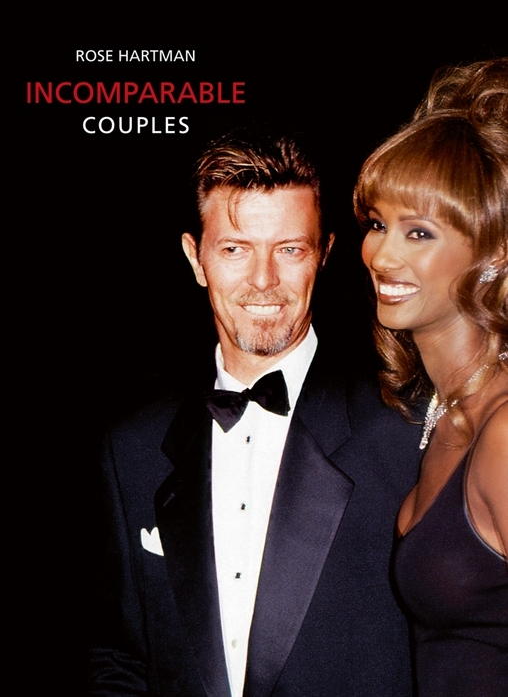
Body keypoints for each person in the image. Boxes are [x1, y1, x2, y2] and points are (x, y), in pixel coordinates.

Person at [89, 128, 422, 696]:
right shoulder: (132, 448)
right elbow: (118, 658)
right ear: (196, 258)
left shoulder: (404, 428)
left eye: (289, 250)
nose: (263, 281)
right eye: (235, 249)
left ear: (324, 254)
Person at [355, 58, 508, 696]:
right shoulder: (438, 414)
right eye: (378, 223)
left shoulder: (504, 431)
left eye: (419, 232)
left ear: (495, 252)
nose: (382, 254)